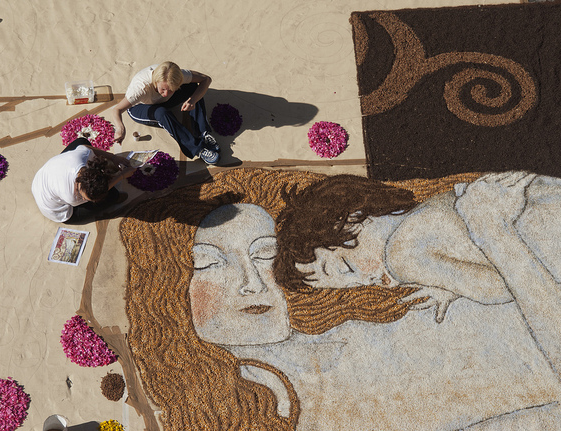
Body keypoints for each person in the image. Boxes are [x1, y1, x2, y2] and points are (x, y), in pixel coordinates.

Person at [119, 168, 561, 431]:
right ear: (164, 281)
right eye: (211, 262)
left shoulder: (390, 305)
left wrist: (491, 241)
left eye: (265, 256)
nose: (252, 282)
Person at [275, 171, 561, 325]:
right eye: (350, 286)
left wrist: (459, 284)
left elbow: (503, 288)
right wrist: (448, 280)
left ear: (353, 218)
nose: (364, 281)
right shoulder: (436, 204)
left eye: (346, 267)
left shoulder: (401, 254)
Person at [111, 61, 220, 165]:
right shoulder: (140, 88)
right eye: (163, 89)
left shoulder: (178, 75)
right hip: (141, 107)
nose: (166, 94)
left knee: (193, 88)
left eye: (171, 89)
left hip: (161, 102)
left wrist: (193, 100)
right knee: (162, 113)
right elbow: (117, 110)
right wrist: (120, 128)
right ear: (155, 81)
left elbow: (206, 79)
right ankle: (198, 149)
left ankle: (203, 132)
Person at [31, 137, 135, 223]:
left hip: (44, 177)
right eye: (85, 198)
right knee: (112, 196)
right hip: (54, 208)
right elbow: (102, 190)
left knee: (82, 141)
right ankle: (113, 197)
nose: (84, 200)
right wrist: (121, 176)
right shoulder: (71, 195)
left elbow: (85, 147)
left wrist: (113, 157)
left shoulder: (81, 156)